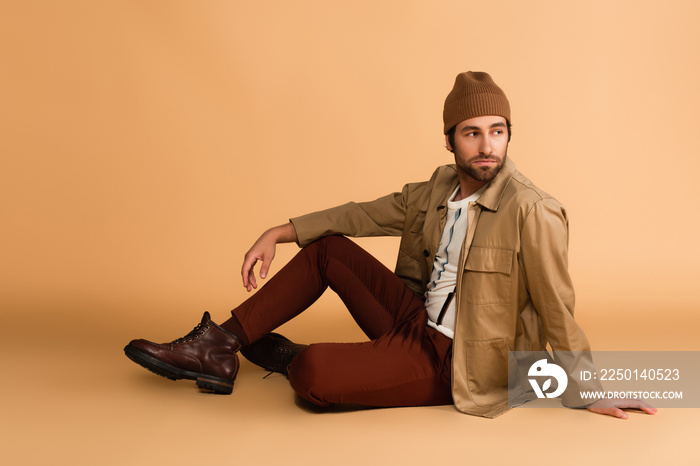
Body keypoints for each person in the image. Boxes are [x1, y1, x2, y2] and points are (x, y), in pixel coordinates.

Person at [124, 71, 656, 419]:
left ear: (509, 135)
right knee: (328, 249)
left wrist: (586, 389)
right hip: (413, 321)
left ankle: (292, 357)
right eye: (472, 133)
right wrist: (278, 231)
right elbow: (361, 214)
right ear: (449, 140)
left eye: (498, 131)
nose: (487, 145)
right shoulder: (436, 190)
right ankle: (218, 347)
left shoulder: (532, 209)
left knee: (313, 377)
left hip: (461, 360)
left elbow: (556, 305)